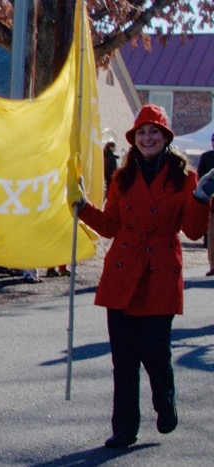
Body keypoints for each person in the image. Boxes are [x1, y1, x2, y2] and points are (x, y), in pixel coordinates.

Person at [76, 104, 214, 449]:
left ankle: (165, 403)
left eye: (154, 132)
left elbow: (194, 232)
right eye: (141, 132)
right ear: (134, 139)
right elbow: (110, 226)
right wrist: (82, 207)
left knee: (154, 351)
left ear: (166, 137)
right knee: (123, 359)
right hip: (123, 274)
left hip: (161, 274)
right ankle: (124, 429)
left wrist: (200, 197)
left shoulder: (184, 177)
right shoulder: (122, 178)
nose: (147, 137)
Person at [197, 133, 214, 276]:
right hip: (211, 202)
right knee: (211, 235)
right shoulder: (207, 157)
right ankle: (213, 265)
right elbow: (200, 176)